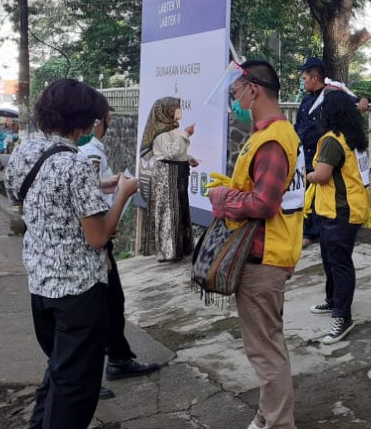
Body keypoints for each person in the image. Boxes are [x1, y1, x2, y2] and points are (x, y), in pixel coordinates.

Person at [4, 79, 139, 429]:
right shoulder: (75, 164)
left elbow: (32, 197)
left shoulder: (25, 152)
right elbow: (98, 236)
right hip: (78, 294)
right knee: (76, 391)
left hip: (41, 288)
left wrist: (101, 185)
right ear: (82, 120)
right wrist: (123, 193)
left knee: (58, 373)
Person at [208, 59, 305, 429]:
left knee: (265, 351)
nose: (235, 101)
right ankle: (268, 415)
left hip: (264, 257)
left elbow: (264, 203)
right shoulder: (275, 134)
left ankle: (278, 423)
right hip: (272, 251)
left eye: (236, 93)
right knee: (267, 343)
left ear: (253, 89)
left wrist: (223, 199)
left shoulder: (272, 141)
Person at [78, 109, 161, 400]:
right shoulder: (88, 152)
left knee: (113, 303)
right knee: (95, 312)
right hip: (93, 240)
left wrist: (107, 184)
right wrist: (121, 193)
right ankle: (82, 380)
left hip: (95, 238)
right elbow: (88, 201)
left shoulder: (80, 151)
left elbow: (90, 188)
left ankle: (118, 357)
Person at [305, 90, 371, 345]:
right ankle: (333, 300)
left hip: (341, 211)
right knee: (331, 258)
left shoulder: (332, 141)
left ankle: (343, 316)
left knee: (340, 263)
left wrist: (309, 175)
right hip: (343, 208)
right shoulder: (352, 137)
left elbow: (322, 175)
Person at [294, 58, 369, 248]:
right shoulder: (306, 100)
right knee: (306, 194)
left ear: (315, 78)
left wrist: (364, 100)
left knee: (321, 189)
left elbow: (355, 100)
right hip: (305, 152)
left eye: (305, 78)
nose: (303, 82)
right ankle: (307, 230)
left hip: (324, 153)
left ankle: (316, 232)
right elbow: (299, 123)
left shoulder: (332, 94)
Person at [140, 97, 198, 262]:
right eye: (176, 107)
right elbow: (170, 152)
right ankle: (168, 250)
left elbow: (176, 152)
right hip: (166, 174)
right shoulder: (161, 132)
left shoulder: (171, 129)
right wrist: (187, 134)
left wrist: (188, 158)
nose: (179, 110)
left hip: (177, 172)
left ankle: (181, 248)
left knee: (179, 208)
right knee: (168, 211)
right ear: (167, 111)